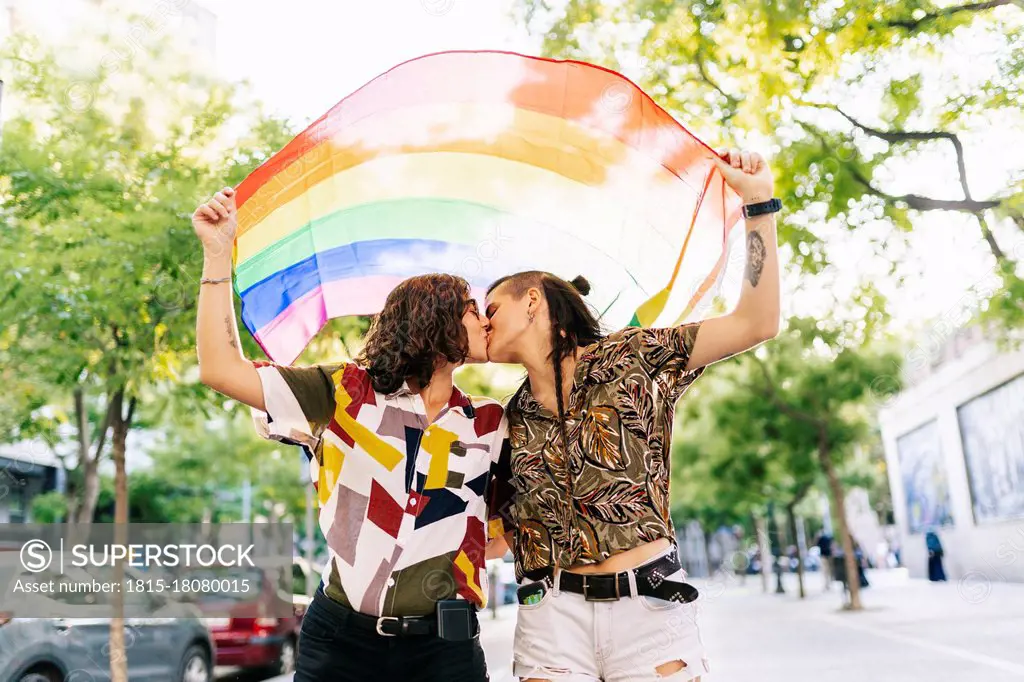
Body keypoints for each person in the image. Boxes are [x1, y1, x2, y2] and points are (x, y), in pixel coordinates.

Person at [484, 148, 780, 682]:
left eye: (490, 311)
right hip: (551, 618)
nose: (483, 326)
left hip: (651, 607)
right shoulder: (510, 417)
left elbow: (756, 323)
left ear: (532, 301)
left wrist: (758, 204)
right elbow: (498, 534)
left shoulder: (635, 356)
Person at [192, 187, 509, 682]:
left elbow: (507, 530)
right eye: (472, 308)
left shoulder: (491, 423)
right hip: (339, 643)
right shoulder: (343, 392)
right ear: (437, 319)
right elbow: (220, 368)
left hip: (442, 654)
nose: (484, 318)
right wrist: (217, 255)